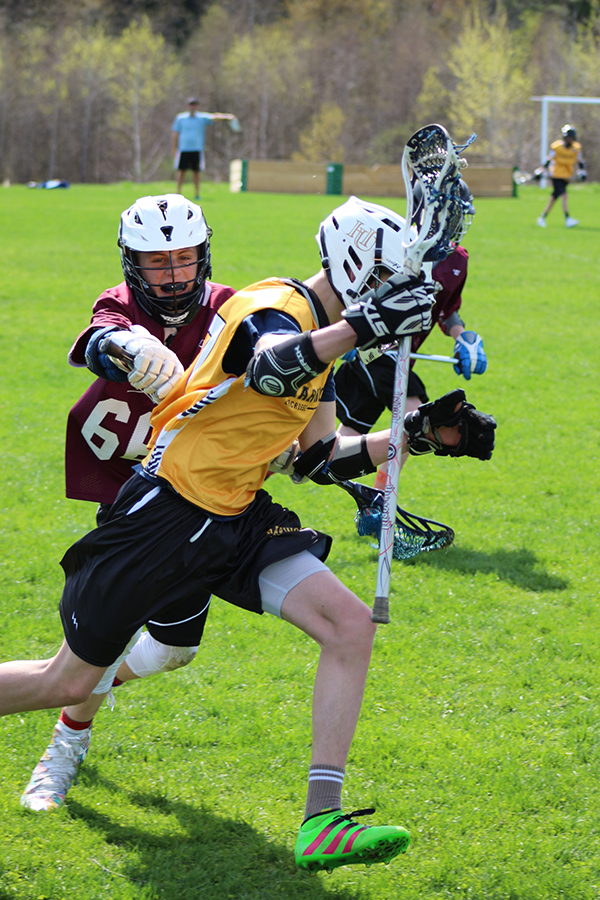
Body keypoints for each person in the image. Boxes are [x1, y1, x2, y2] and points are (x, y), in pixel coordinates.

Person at [1, 196, 496, 874]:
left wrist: (409, 437)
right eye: (385, 285)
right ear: (354, 268)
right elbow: (269, 364)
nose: (394, 303)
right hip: (163, 515)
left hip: (237, 518)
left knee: (350, 627)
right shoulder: (275, 307)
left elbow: (321, 458)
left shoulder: (326, 339)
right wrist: (362, 326)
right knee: (65, 681)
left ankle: (322, 820)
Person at [20, 194, 236, 812]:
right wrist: (123, 350)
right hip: (132, 497)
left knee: (174, 649)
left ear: (205, 255)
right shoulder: (121, 302)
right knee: (103, 642)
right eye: (157, 263)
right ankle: (66, 741)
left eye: (184, 260)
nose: (172, 276)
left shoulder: (230, 307)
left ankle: (91, 684)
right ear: (132, 262)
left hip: (205, 499)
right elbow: (100, 334)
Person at [335, 182, 487, 488]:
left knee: (335, 448)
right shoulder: (396, 245)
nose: (459, 224)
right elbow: (356, 291)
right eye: (454, 216)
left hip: (400, 358)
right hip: (376, 349)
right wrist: (347, 334)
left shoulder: (457, 261)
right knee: (418, 419)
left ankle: (276, 463)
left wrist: (462, 337)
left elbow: (444, 310)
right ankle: (379, 499)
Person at [172, 97, 236, 199]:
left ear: (197, 106)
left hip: (196, 148)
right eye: (191, 104)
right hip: (184, 149)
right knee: (181, 171)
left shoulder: (201, 118)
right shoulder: (180, 118)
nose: (192, 107)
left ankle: (197, 194)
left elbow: (214, 117)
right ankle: (178, 193)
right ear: (188, 106)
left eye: (194, 104)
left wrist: (227, 117)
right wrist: (174, 148)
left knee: (196, 172)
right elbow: (175, 133)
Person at [537, 124, 586, 228]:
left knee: (554, 197)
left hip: (567, 176)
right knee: (564, 195)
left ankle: (542, 217)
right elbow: (549, 159)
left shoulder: (576, 148)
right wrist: (542, 170)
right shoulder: (557, 147)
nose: (569, 140)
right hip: (557, 174)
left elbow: (580, 161)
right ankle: (567, 218)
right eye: (568, 137)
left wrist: (582, 172)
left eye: (571, 138)